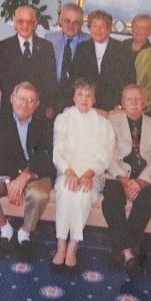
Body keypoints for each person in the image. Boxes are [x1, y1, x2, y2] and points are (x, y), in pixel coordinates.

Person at [0, 82, 54, 257]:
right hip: (4, 173)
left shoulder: (45, 124)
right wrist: (8, 180)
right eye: (21, 99)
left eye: (30, 101)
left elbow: (46, 156)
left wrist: (26, 176)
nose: (25, 104)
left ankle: (24, 233)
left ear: (37, 104)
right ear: (11, 99)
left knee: (39, 194)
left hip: (34, 174)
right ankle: (5, 229)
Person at [101, 83, 151, 271]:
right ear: (122, 103)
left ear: (144, 102)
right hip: (118, 174)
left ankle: (120, 249)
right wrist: (124, 180)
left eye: (138, 99)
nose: (134, 103)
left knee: (148, 201)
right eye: (129, 99)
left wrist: (141, 182)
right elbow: (108, 155)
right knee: (111, 201)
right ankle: (129, 251)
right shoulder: (112, 121)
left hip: (144, 176)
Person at [51, 78, 114, 270]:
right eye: (80, 94)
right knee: (66, 190)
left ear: (94, 99)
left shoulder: (103, 124)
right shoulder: (63, 119)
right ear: (73, 97)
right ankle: (61, 243)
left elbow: (105, 156)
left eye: (89, 95)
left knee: (83, 193)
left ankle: (73, 245)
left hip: (93, 173)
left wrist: (88, 174)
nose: (84, 99)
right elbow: (58, 152)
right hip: (67, 170)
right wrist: (69, 172)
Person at [66, 9, 138, 110]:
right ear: (90, 29)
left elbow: (129, 80)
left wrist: (120, 105)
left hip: (113, 106)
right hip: (88, 105)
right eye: (94, 26)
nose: (98, 30)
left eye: (102, 26)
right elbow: (76, 78)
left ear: (108, 29)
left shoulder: (121, 48)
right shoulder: (82, 48)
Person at [0, 4, 59, 114]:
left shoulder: (46, 47)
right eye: (20, 21)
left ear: (35, 24)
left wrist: (35, 102)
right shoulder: (2, 47)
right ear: (15, 23)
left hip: (39, 107)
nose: (25, 25)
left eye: (29, 22)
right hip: (12, 106)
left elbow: (50, 79)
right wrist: (22, 102)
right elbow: (4, 82)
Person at [42, 2, 87, 79]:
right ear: (61, 21)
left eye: (76, 22)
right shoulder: (49, 39)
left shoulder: (89, 41)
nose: (71, 25)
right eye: (67, 21)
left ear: (81, 24)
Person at [128, 13, 151, 100]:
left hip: (141, 100)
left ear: (149, 31)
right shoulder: (122, 46)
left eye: (143, 28)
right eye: (136, 27)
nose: (139, 31)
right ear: (132, 29)